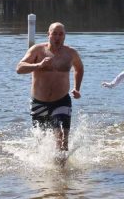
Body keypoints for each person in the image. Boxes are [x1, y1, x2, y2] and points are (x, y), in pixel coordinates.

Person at [16, 22, 84, 151]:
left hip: (62, 100)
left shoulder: (71, 53)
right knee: (41, 139)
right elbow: (19, 68)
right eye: (54, 34)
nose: (57, 37)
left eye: (60, 34)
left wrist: (77, 88)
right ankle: (44, 165)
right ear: (48, 34)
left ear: (64, 36)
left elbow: (79, 69)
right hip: (39, 102)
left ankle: (61, 169)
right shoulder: (37, 50)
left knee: (62, 137)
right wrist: (38, 65)